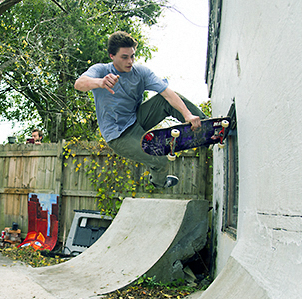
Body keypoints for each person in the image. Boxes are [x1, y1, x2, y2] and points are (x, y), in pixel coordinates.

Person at [74, 31, 206, 188]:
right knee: (160, 158)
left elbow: (167, 94)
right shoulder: (101, 71)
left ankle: (207, 125)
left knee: (163, 100)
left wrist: (188, 115)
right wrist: (100, 82)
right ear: (112, 56)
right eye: (124, 57)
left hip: (137, 119)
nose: (130, 61)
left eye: (132, 56)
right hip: (118, 135)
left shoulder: (141, 73)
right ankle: (159, 182)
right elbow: (79, 83)